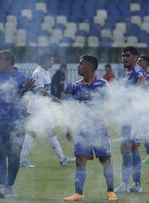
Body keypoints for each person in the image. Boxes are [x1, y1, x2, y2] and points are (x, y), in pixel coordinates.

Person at [0, 50, 35, 198]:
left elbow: (29, 95)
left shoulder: (21, 77)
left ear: (9, 62)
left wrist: (26, 90)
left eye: (0, 60)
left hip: (14, 123)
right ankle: (2, 186)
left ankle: (10, 187)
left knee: (14, 156)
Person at [63, 55, 117, 201]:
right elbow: (72, 108)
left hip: (99, 128)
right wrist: (69, 127)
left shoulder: (103, 84)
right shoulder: (76, 86)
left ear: (89, 67)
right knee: (80, 160)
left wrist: (104, 115)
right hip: (82, 129)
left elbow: (110, 103)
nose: (78, 66)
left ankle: (111, 191)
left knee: (105, 159)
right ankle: (78, 193)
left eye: (80, 64)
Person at [20, 53, 73, 168]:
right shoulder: (38, 73)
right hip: (37, 107)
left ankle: (62, 158)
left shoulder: (46, 73)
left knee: (43, 132)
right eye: (51, 60)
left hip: (42, 107)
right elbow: (42, 92)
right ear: (46, 61)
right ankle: (62, 159)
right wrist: (57, 101)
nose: (53, 62)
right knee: (40, 133)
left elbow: (46, 92)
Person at [115, 46, 146, 193]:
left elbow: (142, 86)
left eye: (127, 56)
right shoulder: (127, 74)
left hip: (132, 116)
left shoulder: (137, 71)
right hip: (133, 116)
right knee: (134, 150)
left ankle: (124, 184)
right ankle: (137, 184)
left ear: (135, 57)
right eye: (123, 56)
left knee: (125, 148)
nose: (124, 58)